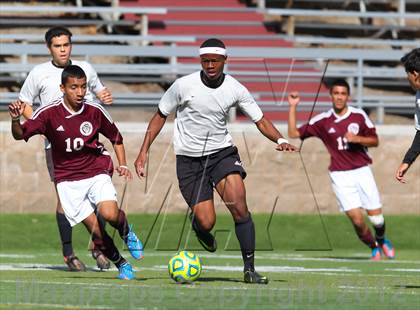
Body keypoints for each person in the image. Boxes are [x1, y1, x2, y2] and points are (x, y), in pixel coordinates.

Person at [134, 38, 297, 284]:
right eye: (205, 61)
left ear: (224, 61)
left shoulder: (235, 88)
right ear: (201, 61)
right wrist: (144, 151)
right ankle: (199, 226)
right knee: (207, 221)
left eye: (215, 61)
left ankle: (249, 270)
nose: (210, 65)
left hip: (222, 154)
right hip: (189, 160)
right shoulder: (182, 86)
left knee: (240, 207)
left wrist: (280, 139)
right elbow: (160, 115)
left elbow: (260, 120)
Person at [9, 65, 143, 280]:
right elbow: (20, 135)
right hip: (68, 181)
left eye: (83, 87)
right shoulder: (49, 113)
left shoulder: (94, 110)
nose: (80, 92)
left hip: (96, 169)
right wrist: (16, 119)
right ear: (62, 88)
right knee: (97, 233)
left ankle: (127, 232)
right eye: (74, 87)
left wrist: (123, 164)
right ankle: (122, 264)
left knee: (109, 213)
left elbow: (116, 137)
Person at [18, 26, 113, 271]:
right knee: (67, 200)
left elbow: (99, 91)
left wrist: (104, 95)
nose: (63, 50)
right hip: (59, 147)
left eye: (66, 45)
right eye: (57, 46)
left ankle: (98, 246)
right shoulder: (39, 73)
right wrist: (43, 125)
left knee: (100, 196)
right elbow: (25, 104)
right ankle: (69, 253)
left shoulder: (84, 69)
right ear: (48, 48)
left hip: (90, 143)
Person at [287, 79, 395, 260]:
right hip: (339, 175)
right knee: (357, 220)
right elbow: (293, 134)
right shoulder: (323, 120)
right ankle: (374, 247)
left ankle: (382, 239)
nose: (339, 97)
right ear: (331, 96)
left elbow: (375, 141)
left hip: (362, 170)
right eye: (336, 93)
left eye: (343, 94)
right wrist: (293, 106)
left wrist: (358, 139)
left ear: (348, 96)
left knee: (376, 219)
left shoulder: (359, 115)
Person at [396, 48, 420, 183]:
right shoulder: (419, 96)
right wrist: (407, 161)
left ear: (415, 74)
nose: (407, 79)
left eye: (407, 74)